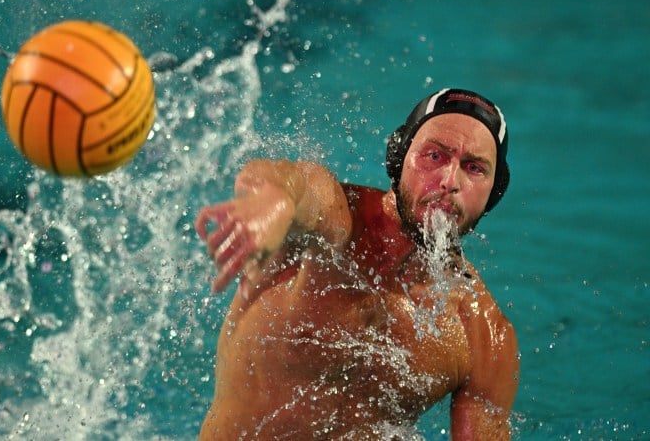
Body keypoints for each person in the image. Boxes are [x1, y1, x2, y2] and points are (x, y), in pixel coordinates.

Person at [195, 88, 520, 440]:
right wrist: (274, 200)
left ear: (493, 193)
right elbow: (300, 184)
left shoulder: (482, 338)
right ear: (398, 158)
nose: (449, 181)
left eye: (473, 168)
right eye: (434, 156)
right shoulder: (338, 225)